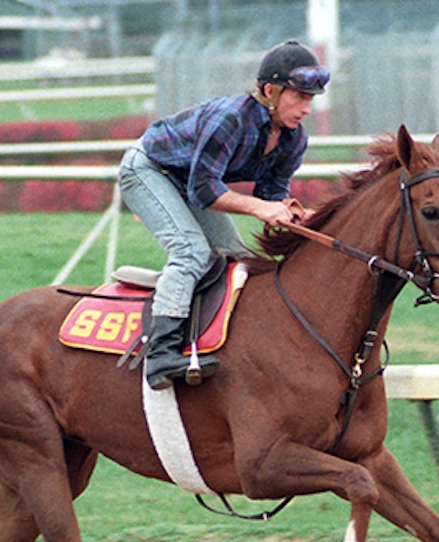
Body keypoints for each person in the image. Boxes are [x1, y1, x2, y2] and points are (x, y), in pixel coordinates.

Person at [118, 39, 329, 390]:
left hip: (188, 179)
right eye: (300, 97)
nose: (307, 108)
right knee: (191, 251)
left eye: (310, 99)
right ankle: (160, 353)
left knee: (235, 259)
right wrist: (262, 208)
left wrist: (292, 213)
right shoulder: (229, 119)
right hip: (148, 170)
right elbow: (204, 190)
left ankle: (208, 338)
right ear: (270, 91)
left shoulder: (294, 139)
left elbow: (271, 194)